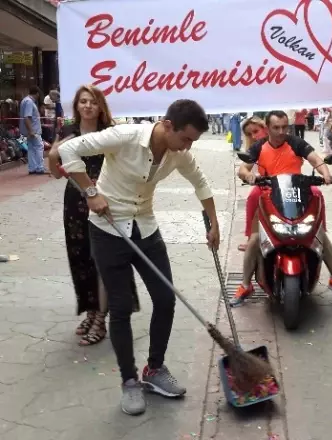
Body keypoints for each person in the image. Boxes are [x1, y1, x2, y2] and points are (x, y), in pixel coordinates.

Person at [52, 99, 221, 416]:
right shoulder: (126, 135)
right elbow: (69, 150)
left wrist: (213, 224)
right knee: (120, 308)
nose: (188, 147)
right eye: (186, 138)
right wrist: (91, 192)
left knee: (166, 299)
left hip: (145, 226)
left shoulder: (178, 153)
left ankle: (154, 371)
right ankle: (129, 382)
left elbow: (201, 182)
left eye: (193, 141)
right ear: (168, 126)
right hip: (107, 229)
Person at [49, 85, 139, 346]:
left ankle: (101, 318)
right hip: (75, 204)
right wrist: (54, 154)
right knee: (81, 259)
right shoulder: (68, 133)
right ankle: (91, 312)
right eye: (83, 101)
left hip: (104, 201)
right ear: (76, 106)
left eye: (93, 102)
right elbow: (55, 173)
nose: (87, 106)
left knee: (103, 260)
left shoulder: (110, 133)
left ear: (101, 107)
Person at [231, 110, 332, 305]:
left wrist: (326, 173)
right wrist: (248, 176)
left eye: (284, 127)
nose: (280, 131)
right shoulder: (259, 146)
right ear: (267, 128)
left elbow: (315, 159)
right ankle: (245, 285)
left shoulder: (296, 142)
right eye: (276, 128)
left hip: (297, 192)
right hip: (269, 194)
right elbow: (243, 169)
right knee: (254, 239)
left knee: (319, 232)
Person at [238, 116, 268, 252]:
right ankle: (251, 238)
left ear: (264, 127)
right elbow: (243, 169)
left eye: (256, 131)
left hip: (287, 180)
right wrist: (248, 175)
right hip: (266, 183)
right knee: (253, 197)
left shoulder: (282, 140)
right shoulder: (255, 147)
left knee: (315, 192)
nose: (253, 136)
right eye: (249, 134)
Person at [20, 85, 48, 174]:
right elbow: (27, 117)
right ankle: (40, 167)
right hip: (33, 130)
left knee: (31, 148)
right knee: (39, 147)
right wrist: (31, 130)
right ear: (36, 93)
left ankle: (32, 168)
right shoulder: (29, 102)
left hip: (28, 130)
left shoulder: (25, 100)